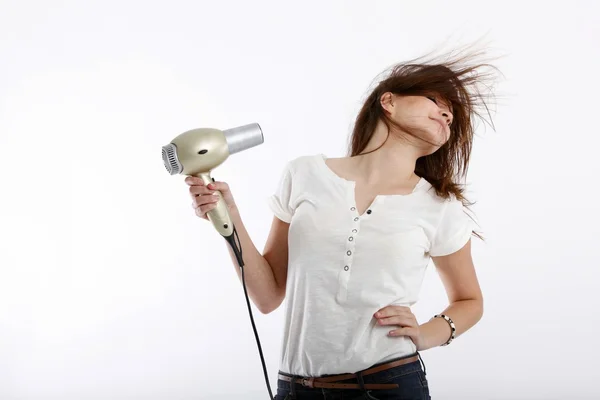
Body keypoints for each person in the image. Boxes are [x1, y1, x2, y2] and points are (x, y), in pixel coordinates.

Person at [186, 46, 501, 399]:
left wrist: (428, 333)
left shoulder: (439, 206)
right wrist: (230, 216)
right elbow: (267, 296)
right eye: (435, 100)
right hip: (296, 389)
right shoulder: (304, 174)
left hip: (390, 384)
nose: (446, 114)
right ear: (389, 101)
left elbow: (470, 299)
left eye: (452, 117)